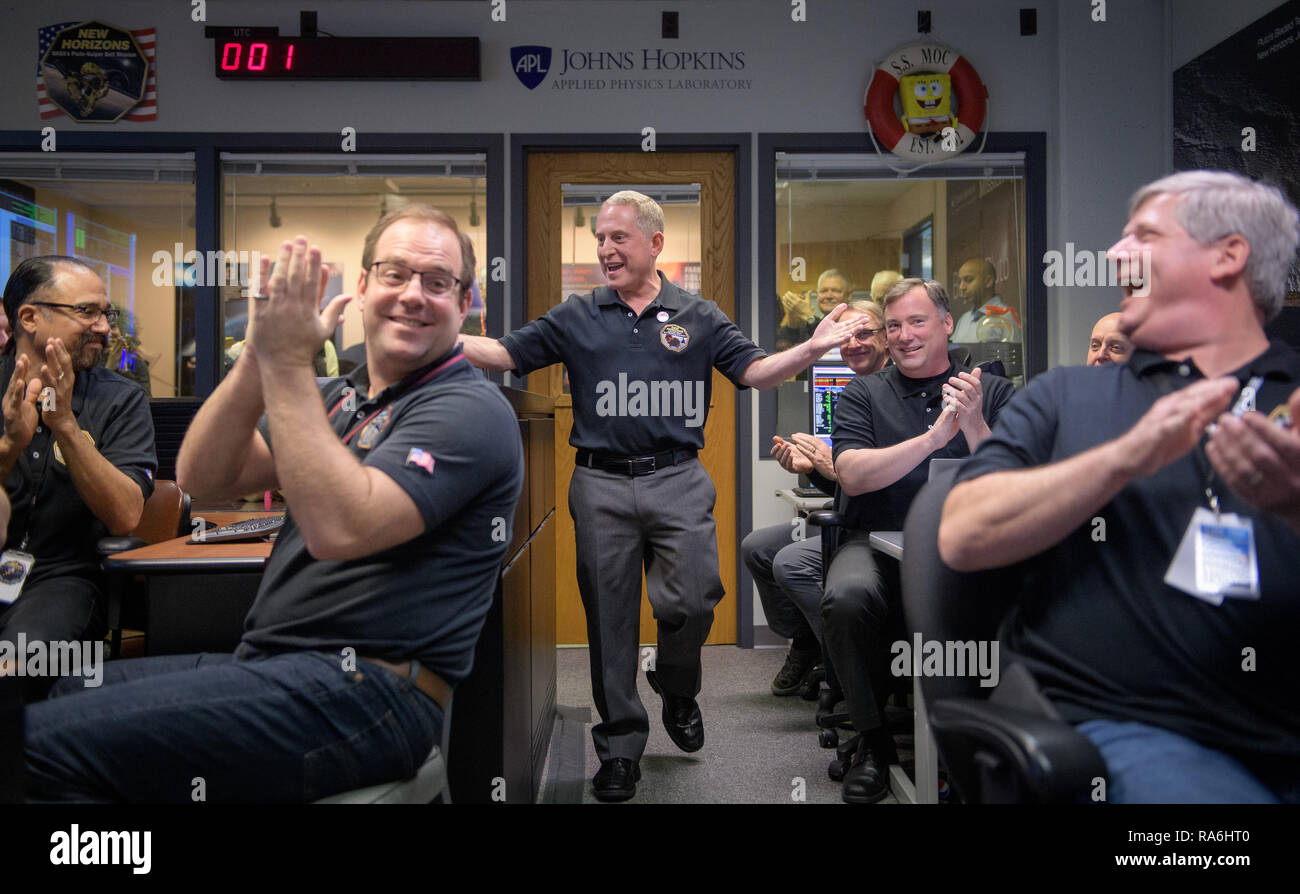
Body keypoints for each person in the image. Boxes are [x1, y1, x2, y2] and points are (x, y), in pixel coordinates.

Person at [22, 205, 524, 801]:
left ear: (463, 305)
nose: (413, 294)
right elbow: (204, 475)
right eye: (394, 274)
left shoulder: (468, 408)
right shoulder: (338, 398)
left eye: (438, 282)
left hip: (371, 695)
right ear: (362, 287)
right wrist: (261, 355)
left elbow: (340, 527)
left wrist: (288, 363)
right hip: (271, 668)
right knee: (64, 693)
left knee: (36, 745)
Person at [460, 190, 855, 801]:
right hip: (600, 482)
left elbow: (753, 372)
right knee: (609, 620)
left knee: (697, 599)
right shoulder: (577, 314)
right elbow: (505, 353)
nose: (606, 249)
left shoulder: (698, 315)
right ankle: (620, 747)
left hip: (678, 477)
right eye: (599, 238)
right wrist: (438, 335)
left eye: (619, 238)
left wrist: (810, 348)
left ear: (655, 244)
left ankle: (676, 684)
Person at [939, 171, 1300, 803]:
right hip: (1133, 731)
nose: (1112, 254)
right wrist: (1128, 456)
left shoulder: (1291, 401)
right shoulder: (1067, 397)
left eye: (1146, 234)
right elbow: (964, 534)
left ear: (1228, 255)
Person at [824, 277, 1015, 803]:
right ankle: (873, 742)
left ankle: (982, 745)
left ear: (946, 323)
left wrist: (973, 423)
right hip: (875, 546)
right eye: (894, 326)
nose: (905, 335)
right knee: (845, 598)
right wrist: (933, 440)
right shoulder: (863, 392)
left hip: (965, 551)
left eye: (917, 321)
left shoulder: (991, 391)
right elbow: (854, 475)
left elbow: (1010, 482)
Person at [0, 258, 155, 693]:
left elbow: (125, 516)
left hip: (63, 580)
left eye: (107, 314)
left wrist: (65, 424)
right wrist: (11, 445)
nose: (104, 327)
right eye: (87, 312)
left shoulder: (120, 400)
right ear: (29, 317)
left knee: (15, 670)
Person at [742, 300, 888, 696]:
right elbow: (843, 485)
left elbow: (879, 483)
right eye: (845, 337)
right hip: (847, 514)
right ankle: (809, 641)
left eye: (865, 333)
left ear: (888, 337)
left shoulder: (893, 392)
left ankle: (851, 667)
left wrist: (830, 469)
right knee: (757, 548)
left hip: (873, 528)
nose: (854, 344)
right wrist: (810, 470)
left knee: (790, 562)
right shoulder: (854, 390)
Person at [777, 269, 852, 349]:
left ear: (848, 295)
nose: (829, 296)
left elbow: (828, 344)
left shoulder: (854, 324)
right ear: (817, 295)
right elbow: (780, 346)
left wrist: (809, 317)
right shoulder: (807, 326)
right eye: (823, 291)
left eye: (836, 291)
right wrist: (792, 325)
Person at [951, 258, 1020, 344]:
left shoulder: (1006, 316)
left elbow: (1014, 355)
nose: (961, 287)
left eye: (968, 280)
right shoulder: (964, 319)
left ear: (988, 281)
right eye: (960, 281)